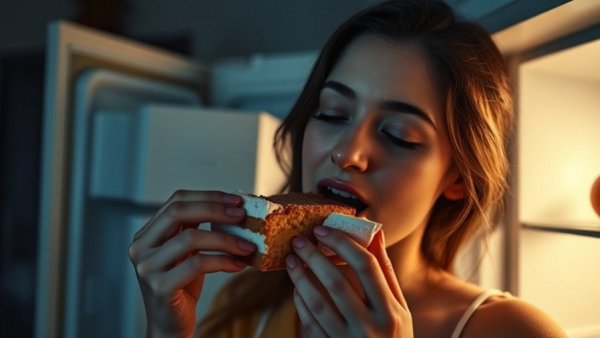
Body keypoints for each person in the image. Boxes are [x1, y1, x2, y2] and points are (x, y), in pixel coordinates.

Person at [128, 1, 568, 337]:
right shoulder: (249, 303)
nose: (348, 153)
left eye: (399, 135)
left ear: (457, 178)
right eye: (333, 113)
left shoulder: (512, 329)